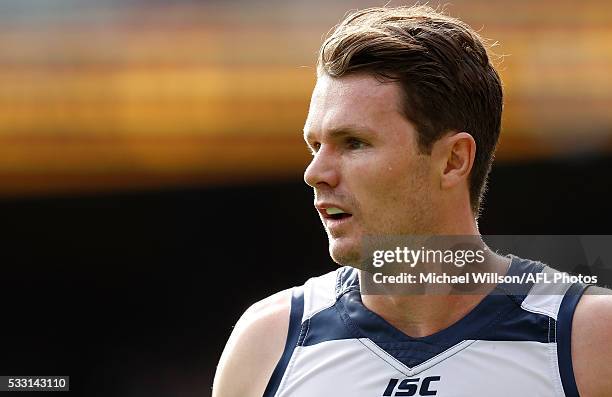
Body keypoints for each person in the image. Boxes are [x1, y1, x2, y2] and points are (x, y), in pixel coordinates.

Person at [212, 5, 612, 397]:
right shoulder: (267, 346)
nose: (315, 173)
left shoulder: (589, 342)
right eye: (315, 145)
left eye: (354, 143)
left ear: (454, 161)